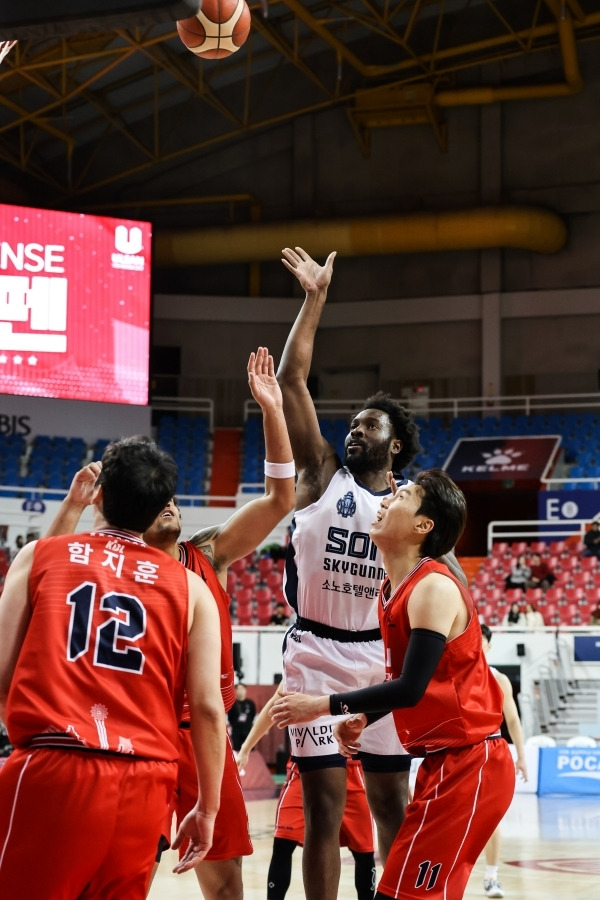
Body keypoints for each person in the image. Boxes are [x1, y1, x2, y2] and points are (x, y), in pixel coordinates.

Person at [46, 347, 296, 900]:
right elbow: (51, 569)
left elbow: (282, 498)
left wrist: (273, 410)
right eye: (157, 499)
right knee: (113, 876)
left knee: (226, 882)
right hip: (134, 732)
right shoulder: (106, 562)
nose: (170, 505)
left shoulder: (207, 551)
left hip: (200, 736)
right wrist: (77, 506)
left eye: (175, 500)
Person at [275, 247, 467, 900]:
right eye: (352, 425)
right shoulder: (322, 476)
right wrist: (315, 299)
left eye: (369, 428)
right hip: (315, 652)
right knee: (325, 807)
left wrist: (474, 635)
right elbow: (291, 380)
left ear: (398, 445)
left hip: (382, 662)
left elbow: (450, 579)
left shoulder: (414, 508)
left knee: (392, 805)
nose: (354, 434)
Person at [270, 468, 516, 900]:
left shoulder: (433, 588)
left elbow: (409, 688)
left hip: (471, 763)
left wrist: (321, 706)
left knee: (403, 895)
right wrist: (366, 717)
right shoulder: (390, 589)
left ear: (424, 526)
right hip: (444, 764)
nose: (385, 500)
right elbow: (400, 681)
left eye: (402, 497)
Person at [0, 436, 225, 899]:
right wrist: (207, 807)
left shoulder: (39, 556)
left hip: (56, 763)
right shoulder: (192, 589)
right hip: (147, 784)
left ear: (98, 493)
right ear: (161, 507)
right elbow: (206, 708)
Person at [236, 686, 376, 900]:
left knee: (364, 853)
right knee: (283, 842)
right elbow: (277, 701)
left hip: (351, 765)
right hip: (304, 767)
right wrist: (246, 748)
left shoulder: (362, 659)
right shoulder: (299, 657)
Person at [480, 624, 528, 898]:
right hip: (459, 750)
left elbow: (512, 719)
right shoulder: (452, 671)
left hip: (490, 748)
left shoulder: (498, 678)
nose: (477, 643)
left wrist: (521, 756)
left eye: (482, 640)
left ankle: (491, 876)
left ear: (489, 645)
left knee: (492, 818)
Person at [227, 682, 257, 752]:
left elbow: (253, 715)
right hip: (236, 731)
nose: (240, 691)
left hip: (248, 730)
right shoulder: (232, 704)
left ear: (245, 690)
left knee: (249, 749)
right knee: (237, 749)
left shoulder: (250, 703)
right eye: (238, 689)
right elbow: (230, 718)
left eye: (242, 689)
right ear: (235, 691)